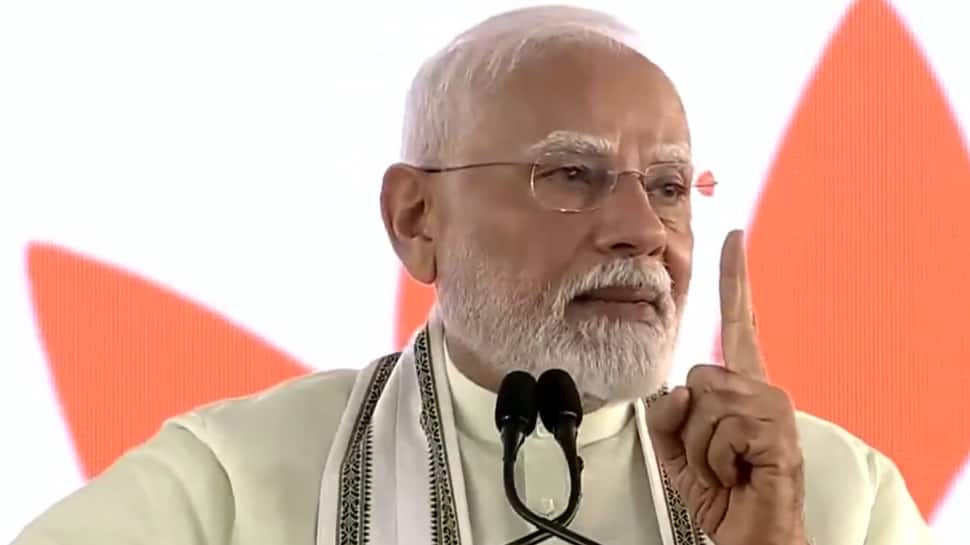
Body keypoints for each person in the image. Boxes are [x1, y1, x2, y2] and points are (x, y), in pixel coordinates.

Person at [12, 5, 933, 545]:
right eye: (570, 174)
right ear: (417, 218)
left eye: (666, 186)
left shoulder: (841, 498)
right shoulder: (234, 481)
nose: (641, 231)